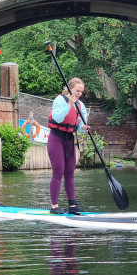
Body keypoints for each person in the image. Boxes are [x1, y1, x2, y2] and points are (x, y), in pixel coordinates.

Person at [47, 77, 89, 214]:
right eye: (77, 91)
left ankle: (72, 205)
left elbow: (79, 126)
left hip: (69, 140)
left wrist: (84, 127)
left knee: (70, 173)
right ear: (70, 88)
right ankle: (54, 206)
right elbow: (58, 118)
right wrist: (70, 103)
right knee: (58, 172)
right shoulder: (60, 100)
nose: (79, 94)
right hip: (56, 138)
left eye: (81, 92)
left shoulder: (81, 105)